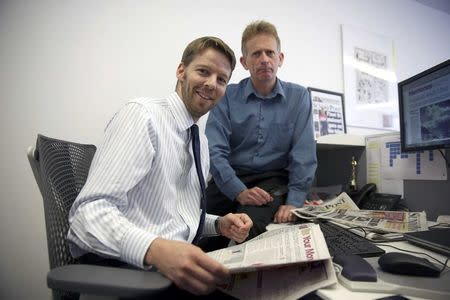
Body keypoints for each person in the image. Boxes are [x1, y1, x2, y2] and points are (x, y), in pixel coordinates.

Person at [67, 36, 252, 297]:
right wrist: (156, 249)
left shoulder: (199, 140)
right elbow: (87, 217)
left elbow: (171, 216)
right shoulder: (143, 117)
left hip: (168, 270)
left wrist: (219, 224)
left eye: (221, 79)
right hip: (135, 273)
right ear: (181, 71)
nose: (212, 83)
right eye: (203, 71)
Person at [204, 20, 317, 245]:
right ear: (245, 62)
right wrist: (238, 191)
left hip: (271, 180)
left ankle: (230, 279)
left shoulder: (299, 97)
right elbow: (214, 152)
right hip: (229, 177)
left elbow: (303, 155)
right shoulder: (225, 95)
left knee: (245, 228)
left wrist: (294, 201)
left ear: (280, 58)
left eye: (270, 52)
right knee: (197, 228)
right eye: (256, 54)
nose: (264, 59)